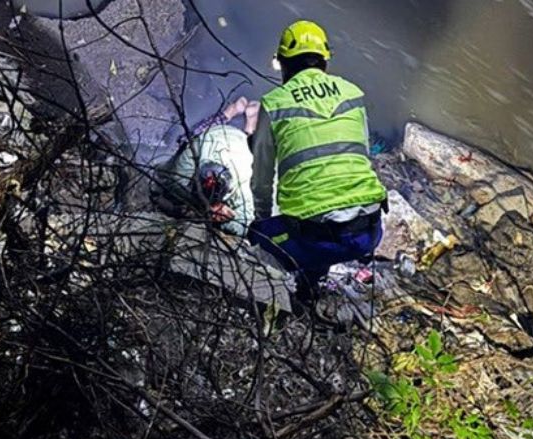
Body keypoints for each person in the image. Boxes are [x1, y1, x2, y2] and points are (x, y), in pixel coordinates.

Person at [249, 20, 388, 294]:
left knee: (260, 236)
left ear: (284, 65)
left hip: (316, 241)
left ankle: (297, 290)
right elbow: (361, 153)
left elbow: (262, 179)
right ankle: (314, 281)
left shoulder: (274, 103)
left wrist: (261, 219)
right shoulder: (353, 93)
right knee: (317, 223)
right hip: (370, 232)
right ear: (324, 62)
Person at [150, 97, 260, 236]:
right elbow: (171, 180)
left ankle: (249, 128)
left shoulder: (243, 180)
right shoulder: (194, 155)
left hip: (240, 145)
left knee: (255, 151)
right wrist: (203, 208)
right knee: (187, 139)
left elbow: (245, 222)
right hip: (214, 136)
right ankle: (229, 113)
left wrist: (227, 218)